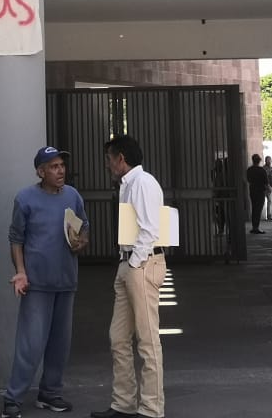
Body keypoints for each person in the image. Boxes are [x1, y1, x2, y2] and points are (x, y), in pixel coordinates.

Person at [2, 146, 90, 418]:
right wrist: (21, 272)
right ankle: (13, 398)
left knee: (60, 343)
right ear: (41, 172)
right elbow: (16, 238)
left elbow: (83, 229)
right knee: (30, 342)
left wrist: (81, 242)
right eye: (53, 166)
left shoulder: (73, 196)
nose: (60, 170)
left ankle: (50, 393)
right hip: (36, 283)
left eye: (61, 165)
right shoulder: (25, 198)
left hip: (65, 281)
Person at [92, 135, 166, 418]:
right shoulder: (130, 184)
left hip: (141, 263)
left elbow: (149, 229)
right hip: (131, 263)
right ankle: (123, 404)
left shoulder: (142, 183)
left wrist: (134, 263)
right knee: (118, 337)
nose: (108, 165)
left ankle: (151, 409)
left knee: (147, 341)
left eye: (110, 159)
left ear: (121, 158)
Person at [246, 154, 267, 234]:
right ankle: (256, 227)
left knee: (254, 208)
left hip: (252, 190)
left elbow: (248, 179)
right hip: (260, 191)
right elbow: (266, 181)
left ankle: (254, 226)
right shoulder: (262, 170)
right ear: (259, 161)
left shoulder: (249, 170)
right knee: (258, 209)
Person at [263, 157, 272, 224]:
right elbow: (265, 178)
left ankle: (270, 214)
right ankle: (269, 216)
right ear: (265, 161)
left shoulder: (271, 168)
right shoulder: (264, 168)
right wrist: (268, 186)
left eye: (270, 160)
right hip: (269, 187)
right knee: (270, 201)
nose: (269, 161)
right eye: (268, 160)